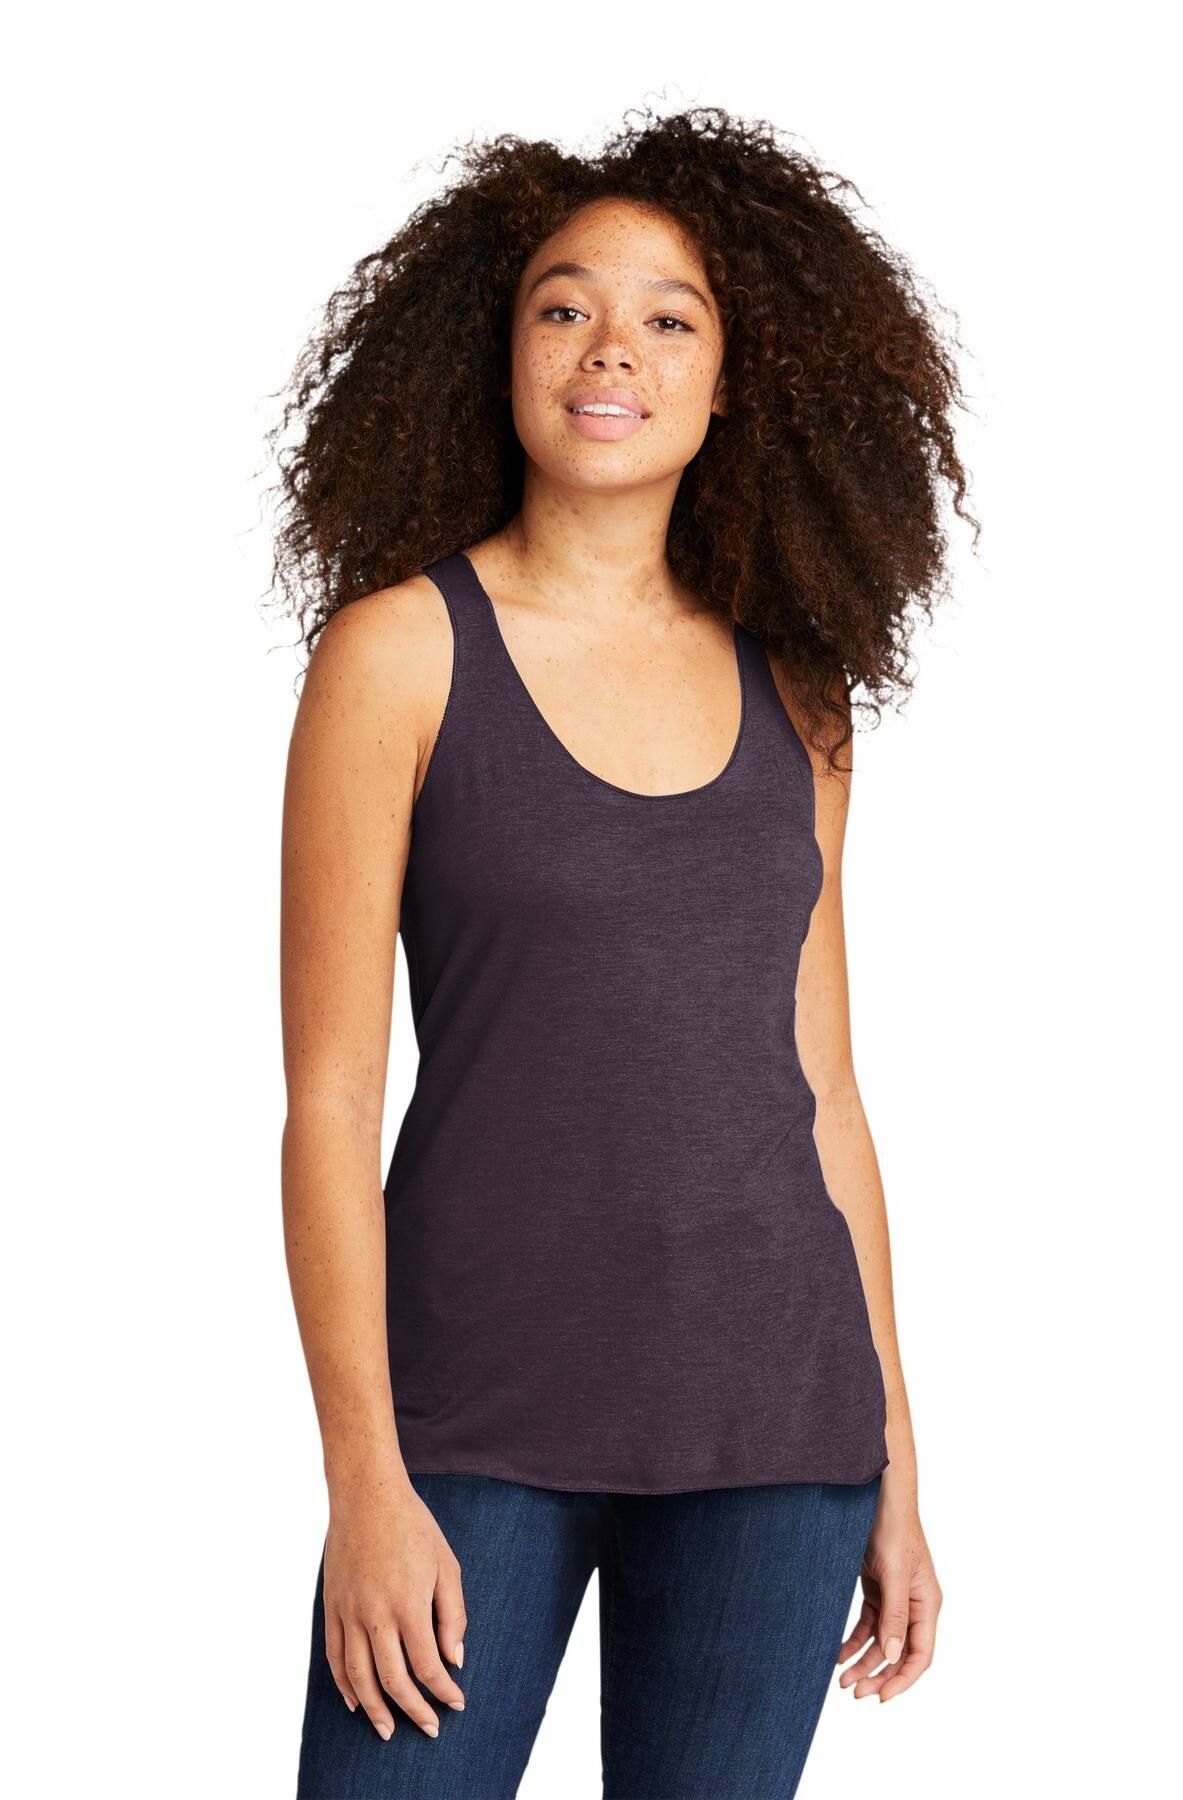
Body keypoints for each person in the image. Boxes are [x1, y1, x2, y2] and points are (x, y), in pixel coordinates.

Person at [268, 105, 974, 1799]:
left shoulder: (799, 693)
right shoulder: (398, 655)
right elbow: (328, 1104)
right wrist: (364, 1479)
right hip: (473, 1426)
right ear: (498, 352)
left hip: (776, 1433)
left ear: (736, 382)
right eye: (565, 306)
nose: (612, 350)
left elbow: (825, 1097)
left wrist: (896, 1460)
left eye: (670, 318)